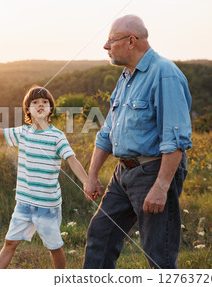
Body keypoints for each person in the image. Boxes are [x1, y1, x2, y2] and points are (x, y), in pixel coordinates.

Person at [82, 15, 192, 269]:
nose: (105, 47)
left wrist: (161, 186)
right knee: (100, 234)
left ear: (132, 41)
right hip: (123, 174)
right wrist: (92, 175)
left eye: (111, 41)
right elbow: (107, 131)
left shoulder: (165, 74)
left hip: (153, 172)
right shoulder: (126, 76)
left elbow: (175, 138)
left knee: (158, 252)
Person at [0, 85, 90, 269]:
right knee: (10, 243)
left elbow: (72, 160)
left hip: (47, 206)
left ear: (51, 108)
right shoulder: (23, 133)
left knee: (54, 248)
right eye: (35, 102)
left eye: (45, 102)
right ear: (27, 110)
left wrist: (86, 182)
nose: (40, 105)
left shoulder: (57, 136)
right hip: (23, 203)